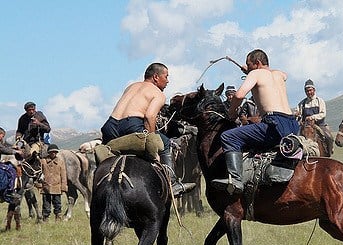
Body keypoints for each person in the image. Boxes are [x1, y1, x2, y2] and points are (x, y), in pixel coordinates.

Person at [100, 63, 195, 197]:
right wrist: (152, 141)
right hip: (132, 125)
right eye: (166, 77)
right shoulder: (158, 94)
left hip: (110, 127)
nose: (168, 81)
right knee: (165, 143)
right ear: (156, 77)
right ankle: (172, 184)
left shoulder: (131, 86)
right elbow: (149, 116)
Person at [212, 49, 299, 194]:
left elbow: (239, 95)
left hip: (274, 123)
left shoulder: (255, 73)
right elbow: (284, 75)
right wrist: (252, 70)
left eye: (249, 64)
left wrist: (231, 113)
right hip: (292, 124)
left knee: (229, 136)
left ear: (257, 63)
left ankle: (235, 180)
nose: (247, 67)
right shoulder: (278, 74)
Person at [296, 79, 334, 155]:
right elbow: (298, 115)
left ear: (314, 90)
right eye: (307, 91)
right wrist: (297, 116)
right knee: (296, 137)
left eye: (310, 90)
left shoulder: (320, 101)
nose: (309, 92)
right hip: (305, 126)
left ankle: (328, 153)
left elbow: (323, 114)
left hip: (319, 125)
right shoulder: (302, 103)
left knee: (329, 137)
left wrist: (313, 117)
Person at [40, 144, 67, 222]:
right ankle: (45, 217)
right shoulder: (43, 161)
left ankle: (58, 216)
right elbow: (40, 173)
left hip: (57, 186)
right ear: (49, 152)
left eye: (55, 152)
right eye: (51, 152)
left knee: (57, 203)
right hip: (46, 186)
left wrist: (63, 186)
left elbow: (63, 174)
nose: (53, 153)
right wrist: (39, 184)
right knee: (46, 204)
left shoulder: (60, 162)